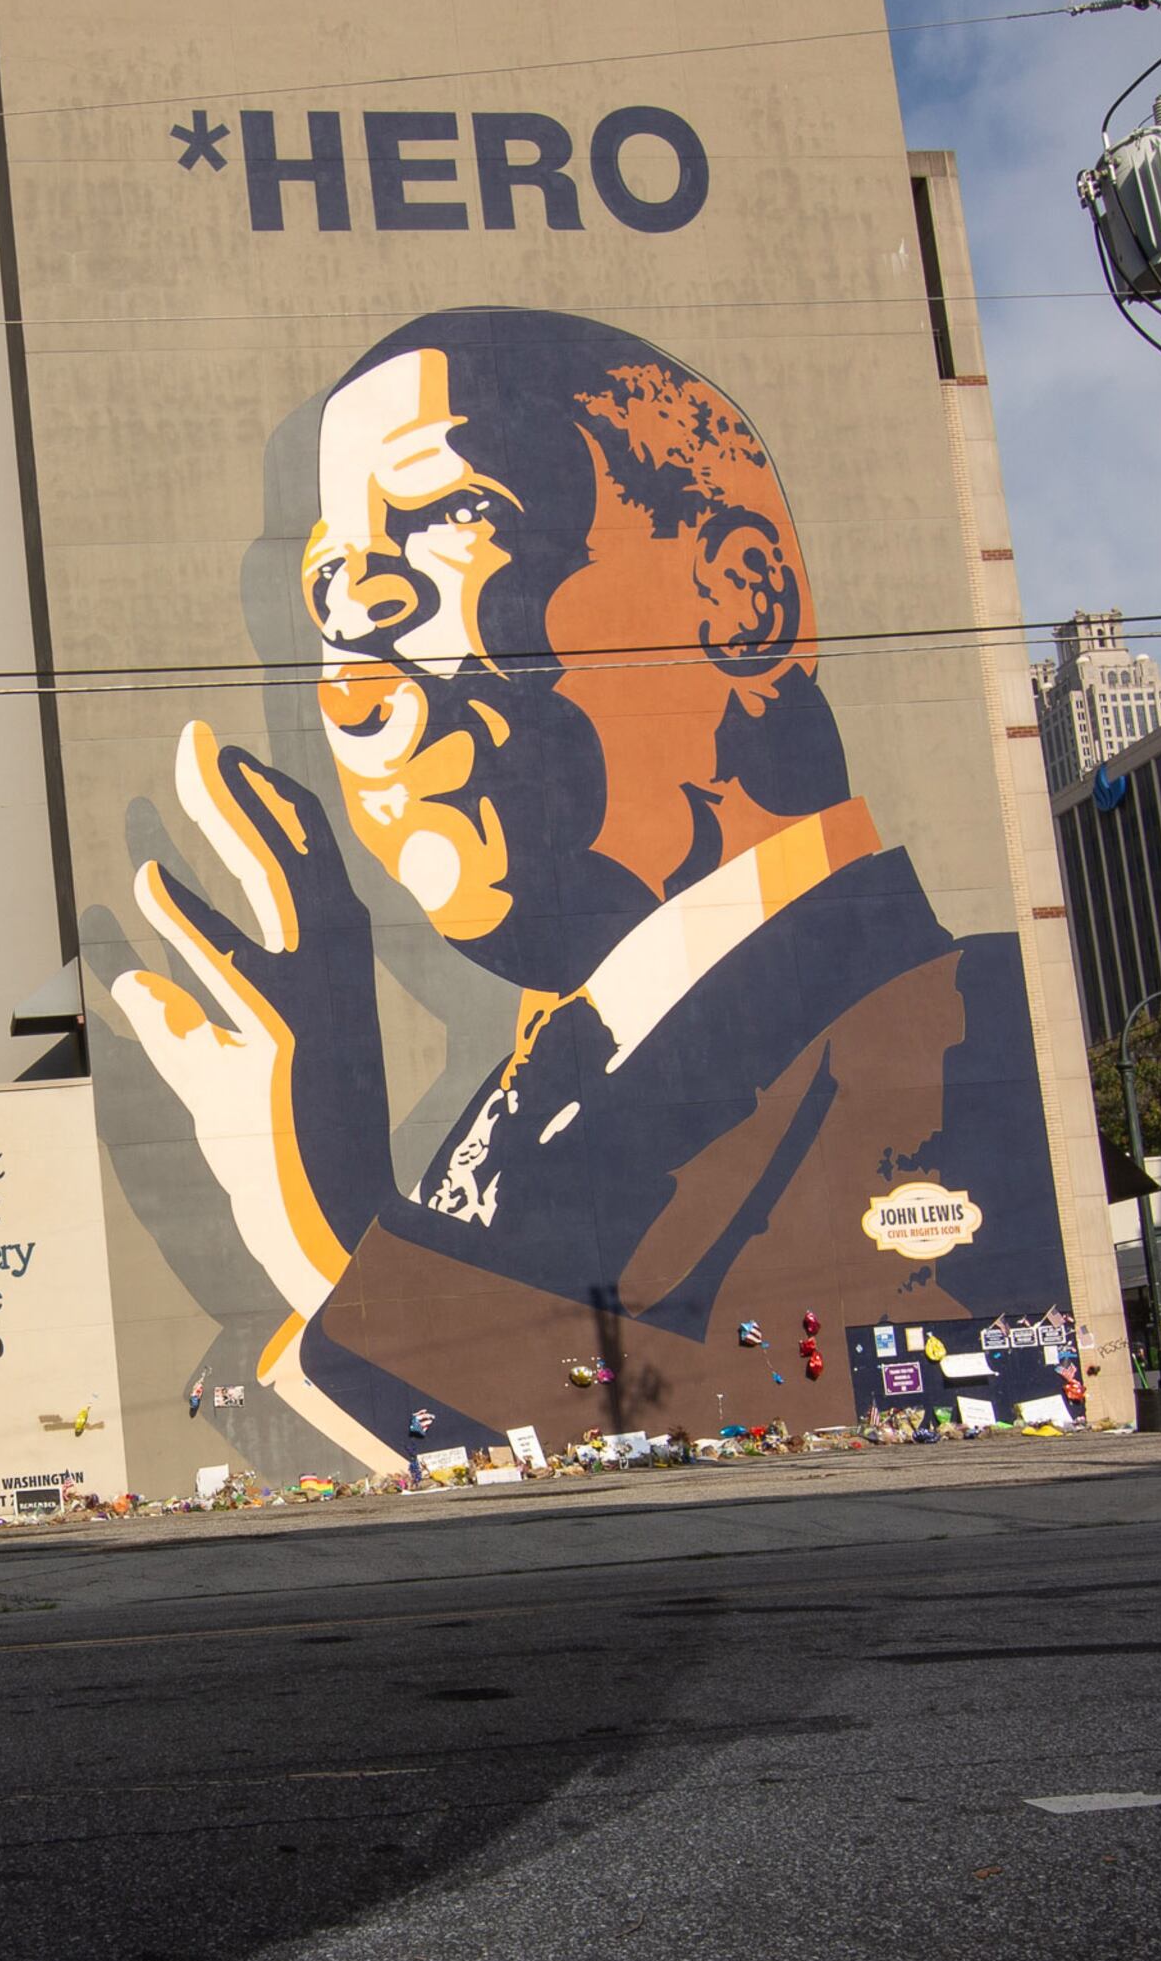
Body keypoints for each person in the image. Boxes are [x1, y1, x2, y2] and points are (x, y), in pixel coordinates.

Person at [111, 308, 1072, 1469]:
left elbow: (827, 1443)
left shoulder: (955, 1030)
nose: (357, 671)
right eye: (333, 593)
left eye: (452, 522)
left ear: (743, 601)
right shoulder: (539, 1081)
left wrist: (341, 1238)